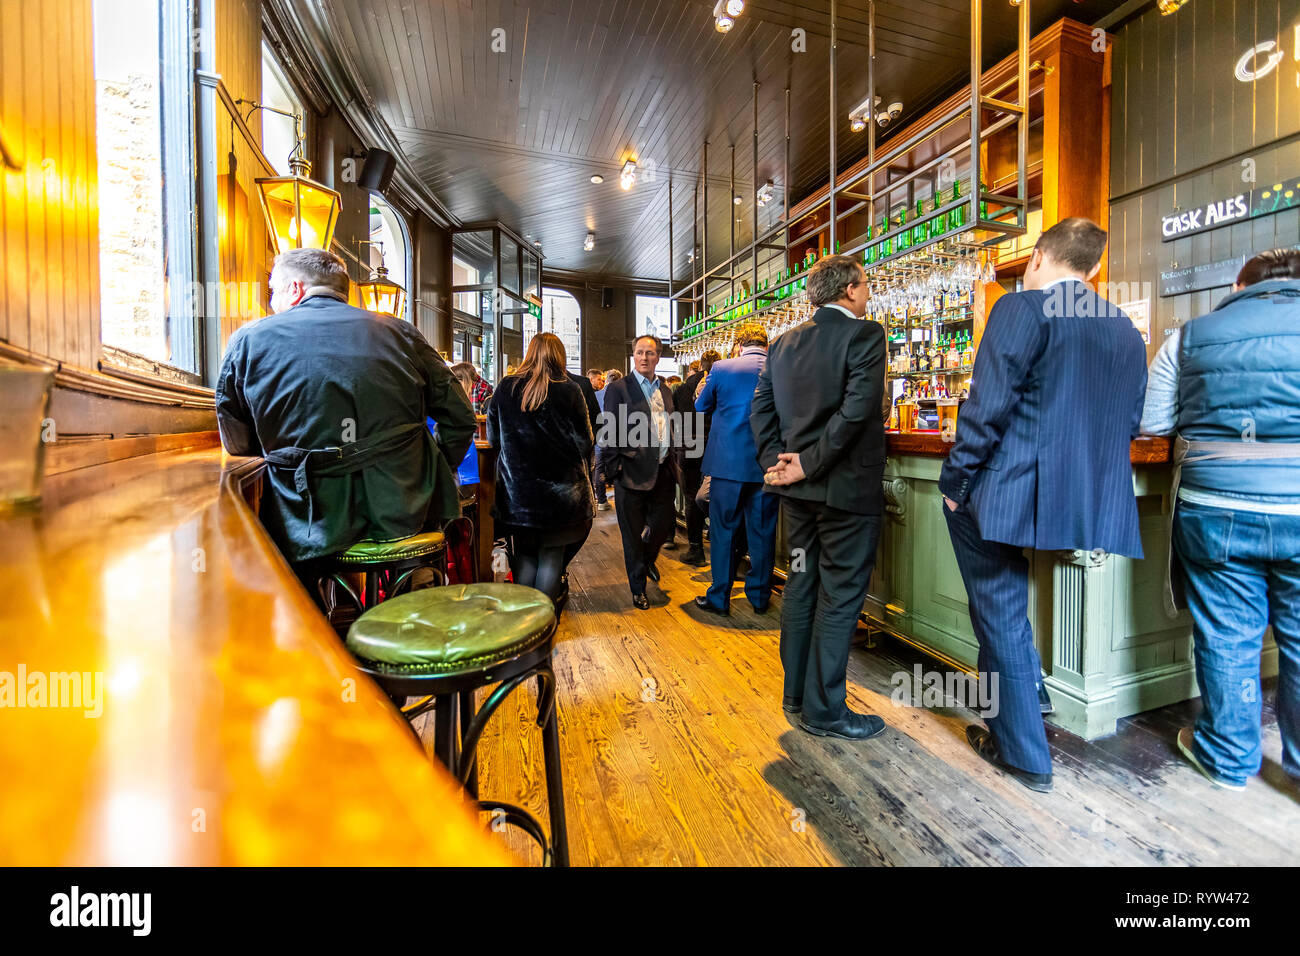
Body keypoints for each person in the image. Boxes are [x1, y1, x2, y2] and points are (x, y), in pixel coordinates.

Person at [939, 217, 1147, 794]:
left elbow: (985, 411)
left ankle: (1025, 753)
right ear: (1095, 269)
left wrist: (954, 483)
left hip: (1010, 493)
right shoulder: (1125, 329)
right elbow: (1128, 423)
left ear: (1036, 258)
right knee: (1006, 609)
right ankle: (1026, 695)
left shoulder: (1020, 308)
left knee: (1000, 607)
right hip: (1085, 500)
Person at [1141, 247, 1300, 792]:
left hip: (1216, 509)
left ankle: (1229, 757)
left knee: (1227, 635)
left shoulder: (1190, 337)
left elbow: (1154, 423)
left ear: (1239, 285)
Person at [215, 248, 475, 577]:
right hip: (403, 510)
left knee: (301, 590)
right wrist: (430, 465)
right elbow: (461, 418)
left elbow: (237, 443)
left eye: (274, 291)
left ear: (294, 289)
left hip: (303, 522)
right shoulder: (401, 333)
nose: (272, 303)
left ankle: (317, 623)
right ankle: (403, 612)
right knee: (409, 580)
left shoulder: (248, 341)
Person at [752, 255, 888, 741]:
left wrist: (779, 462)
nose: (868, 293)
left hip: (798, 496)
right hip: (845, 494)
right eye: (866, 285)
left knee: (802, 586)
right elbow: (855, 413)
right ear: (850, 290)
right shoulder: (866, 334)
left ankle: (797, 695)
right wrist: (808, 462)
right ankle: (826, 710)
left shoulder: (784, 344)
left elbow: (761, 411)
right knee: (839, 597)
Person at [487, 333, 594, 602]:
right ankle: (544, 627)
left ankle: (525, 629)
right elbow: (585, 442)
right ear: (560, 356)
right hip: (562, 497)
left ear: (529, 353)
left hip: (518, 496)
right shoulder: (569, 390)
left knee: (524, 554)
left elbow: (493, 440)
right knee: (551, 557)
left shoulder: (505, 388)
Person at [693, 324, 776, 616]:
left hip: (727, 463)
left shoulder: (722, 367)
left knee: (723, 530)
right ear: (767, 343)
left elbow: (701, 406)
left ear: (739, 344)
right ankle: (759, 597)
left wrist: (702, 387)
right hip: (767, 464)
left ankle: (720, 597)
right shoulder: (781, 366)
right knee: (762, 532)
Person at [599, 335, 680, 610]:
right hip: (630, 473)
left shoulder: (665, 390)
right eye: (640, 352)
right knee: (632, 536)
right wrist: (614, 469)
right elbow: (609, 430)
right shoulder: (619, 388)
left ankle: (646, 562)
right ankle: (638, 588)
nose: (644, 357)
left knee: (661, 526)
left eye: (650, 353)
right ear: (633, 355)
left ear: (658, 357)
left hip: (662, 472)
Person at [674, 350, 721, 566]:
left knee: (692, 497)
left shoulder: (683, 388)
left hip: (688, 446)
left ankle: (696, 549)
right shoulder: (720, 383)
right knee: (717, 494)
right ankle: (715, 537)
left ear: (700, 365)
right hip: (715, 444)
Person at [594, 369, 623, 512]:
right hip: (617, 438)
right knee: (618, 468)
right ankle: (620, 502)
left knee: (599, 468)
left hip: (599, 436)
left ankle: (601, 500)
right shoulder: (621, 395)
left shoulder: (596, 395)